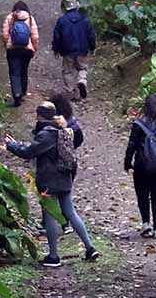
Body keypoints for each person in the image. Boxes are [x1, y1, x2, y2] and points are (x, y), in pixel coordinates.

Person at [6, 101, 99, 267]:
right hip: (65, 177)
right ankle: (90, 247)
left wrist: (12, 146)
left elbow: (29, 152)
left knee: (50, 215)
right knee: (71, 213)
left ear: (40, 116)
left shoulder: (46, 134)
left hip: (49, 180)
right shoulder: (63, 129)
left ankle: (54, 256)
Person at [124, 94, 156, 239]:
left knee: (142, 195)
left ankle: (146, 223)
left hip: (142, 167)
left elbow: (132, 145)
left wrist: (127, 163)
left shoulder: (139, 124)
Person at [51, 0, 96, 100]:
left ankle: (70, 91)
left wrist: (56, 49)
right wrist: (92, 47)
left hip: (67, 50)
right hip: (82, 49)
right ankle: (82, 81)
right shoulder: (85, 19)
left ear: (65, 8)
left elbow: (57, 36)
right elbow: (91, 35)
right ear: (77, 6)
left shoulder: (62, 21)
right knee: (83, 68)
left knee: (67, 71)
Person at [1, 1, 39, 107]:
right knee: (24, 70)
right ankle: (22, 93)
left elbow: (5, 34)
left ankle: (16, 93)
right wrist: (34, 48)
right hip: (27, 50)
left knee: (14, 72)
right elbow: (35, 37)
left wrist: (7, 45)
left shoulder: (10, 17)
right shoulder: (30, 18)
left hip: (12, 50)